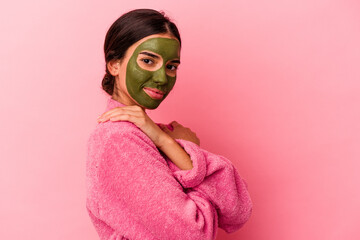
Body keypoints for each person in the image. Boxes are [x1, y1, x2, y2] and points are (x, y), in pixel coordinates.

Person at [86, 9, 252, 240]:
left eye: (171, 66)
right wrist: (186, 148)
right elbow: (193, 234)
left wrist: (166, 141)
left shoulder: (149, 134)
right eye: (147, 60)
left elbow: (237, 211)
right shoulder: (119, 139)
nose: (163, 78)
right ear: (114, 65)